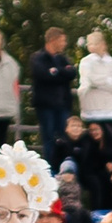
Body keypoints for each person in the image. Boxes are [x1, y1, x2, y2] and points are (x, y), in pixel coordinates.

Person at [30, 28, 77, 174]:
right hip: (46, 106)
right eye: (62, 40)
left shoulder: (62, 59)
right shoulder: (37, 58)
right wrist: (60, 72)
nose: (64, 44)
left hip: (63, 105)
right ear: (53, 40)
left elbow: (71, 73)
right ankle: (50, 172)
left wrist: (56, 71)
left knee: (64, 139)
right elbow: (43, 74)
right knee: (49, 139)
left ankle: (64, 171)